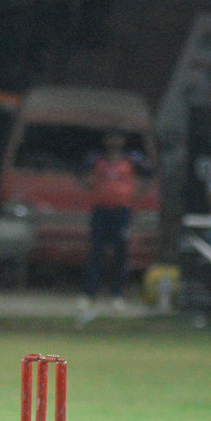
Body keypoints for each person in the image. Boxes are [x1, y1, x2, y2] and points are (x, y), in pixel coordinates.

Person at [78, 130, 153, 316]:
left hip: (122, 212)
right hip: (101, 210)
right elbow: (81, 174)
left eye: (117, 138)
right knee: (96, 252)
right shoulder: (97, 159)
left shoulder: (131, 160)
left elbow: (149, 174)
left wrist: (136, 194)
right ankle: (89, 294)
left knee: (121, 253)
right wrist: (89, 186)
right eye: (111, 138)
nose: (114, 141)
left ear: (122, 141)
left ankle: (117, 295)